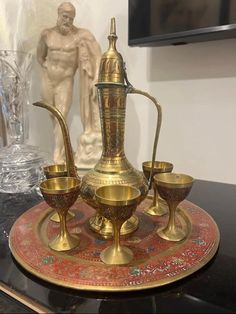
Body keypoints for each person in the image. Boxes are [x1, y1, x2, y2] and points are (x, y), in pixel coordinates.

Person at [37, 2, 102, 166]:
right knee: (53, 116)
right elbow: (40, 56)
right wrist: (46, 67)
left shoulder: (79, 36)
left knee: (60, 115)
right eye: (65, 17)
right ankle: (66, 150)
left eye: (71, 18)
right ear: (58, 15)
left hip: (65, 81)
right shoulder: (47, 35)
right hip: (48, 79)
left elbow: (98, 55)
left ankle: (57, 156)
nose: (67, 21)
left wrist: (95, 78)